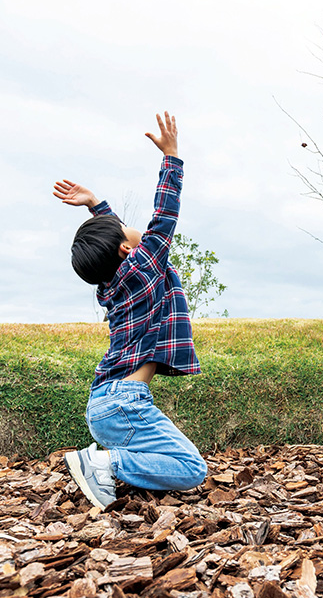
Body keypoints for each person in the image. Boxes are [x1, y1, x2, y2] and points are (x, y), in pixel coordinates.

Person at [53, 111, 207, 510]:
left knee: (170, 462)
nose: (129, 227)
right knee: (192, 468)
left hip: (105, 403)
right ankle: (103, 463)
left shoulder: (115, 283)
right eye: (124, 229)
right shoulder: (144, 265)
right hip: (124, 402)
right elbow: (164, 216)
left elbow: (115, 237)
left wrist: (96, 206)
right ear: (128, 249)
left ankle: (105, 463)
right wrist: (171, 157)